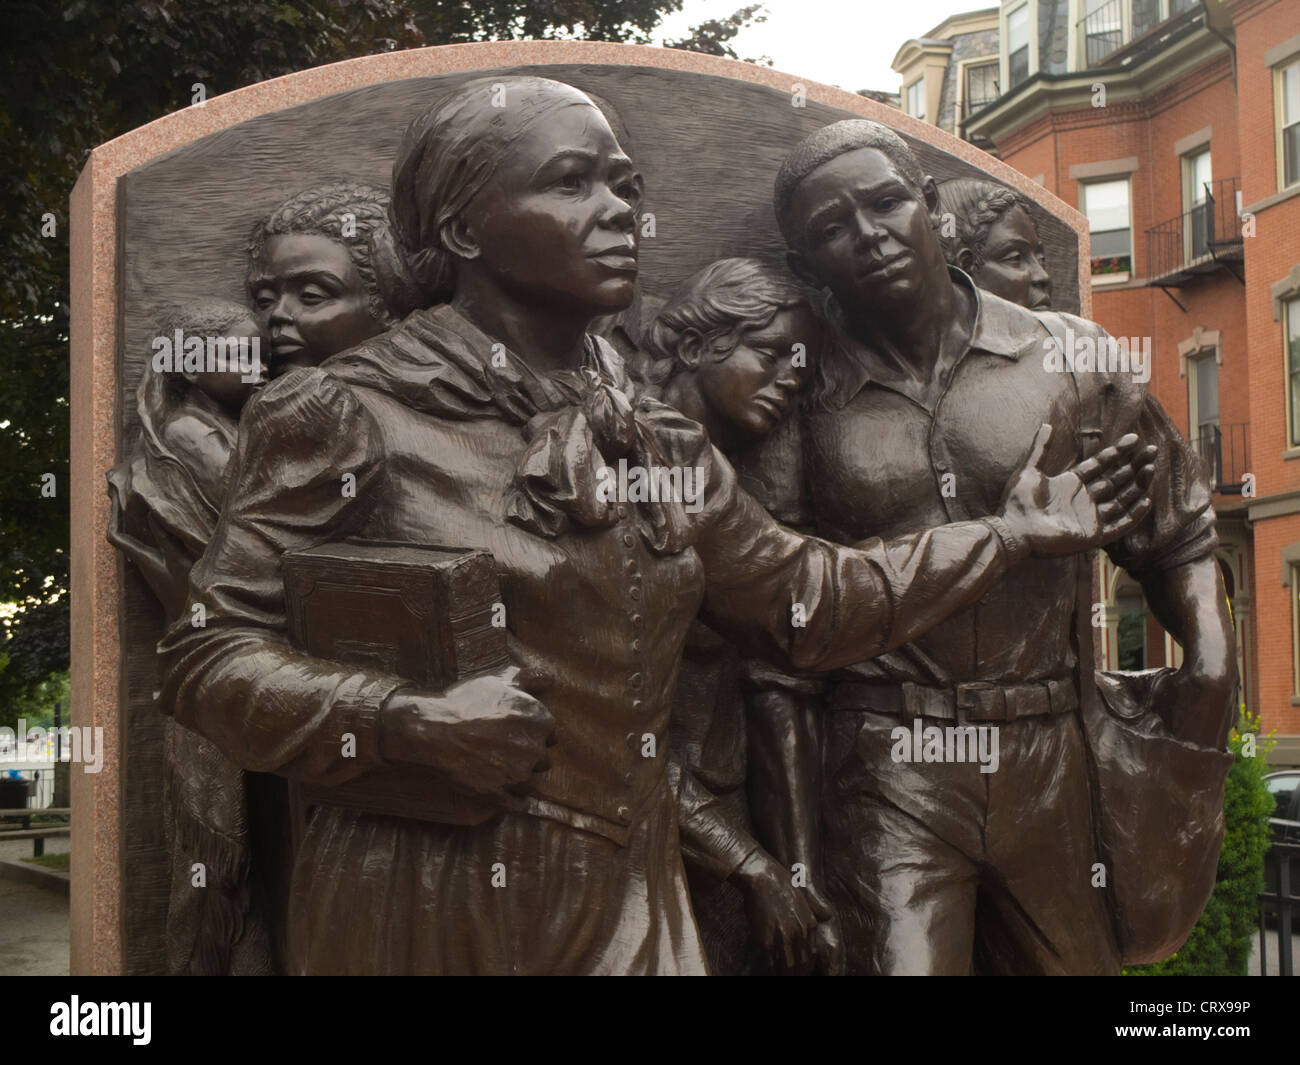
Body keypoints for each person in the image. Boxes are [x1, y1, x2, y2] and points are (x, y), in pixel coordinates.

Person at [157, 78, 1154, 975]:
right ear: (463, 229)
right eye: (573, 184)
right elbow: (204, 661)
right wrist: (396, 720)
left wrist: (1009, 538)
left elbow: (805, 600)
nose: (619, 211)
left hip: (634, 898)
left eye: (626, 185)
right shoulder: (345, 413)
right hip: (429, 901)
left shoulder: (641, 427)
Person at [749, 119, 1236, 975]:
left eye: (888, 202)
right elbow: (778, 649)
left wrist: (1210, 664)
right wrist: (795, 861)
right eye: (832, 229)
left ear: (930, 207)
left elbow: (1180, 530)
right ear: (806, 268)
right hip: (887, 767)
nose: (869, 235)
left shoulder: (1071, 356)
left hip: (1049, 758)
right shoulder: (796, 393)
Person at [648, 257, 831, 974]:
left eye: (803, 365)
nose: (792, 377)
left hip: (718, 823)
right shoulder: (616, 469)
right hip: (628, 835)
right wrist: (749, 863)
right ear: (695, 348)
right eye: (773, 353)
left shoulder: (740, 487)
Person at [935, 177, 1052, 310]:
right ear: (966, 267)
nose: (1043, 276)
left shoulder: (1069, 329)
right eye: (1015, 258)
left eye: (1041, 259)